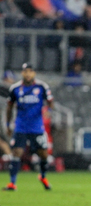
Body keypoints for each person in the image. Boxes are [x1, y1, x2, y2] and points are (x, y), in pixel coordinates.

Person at [3, 63, 54, 191]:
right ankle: (12, 183)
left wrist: (49, 111)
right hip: (20, 126)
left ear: (34, 73)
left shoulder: (42, 87)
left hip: (37, 127)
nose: (28, 74)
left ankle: (43, 176)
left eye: (30, 71)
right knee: (17, 152)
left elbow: (50, 102)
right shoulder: (15, 89)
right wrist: (8, 124)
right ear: (22, 73)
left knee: (43, 154)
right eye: (25, 71)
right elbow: (9, 107)